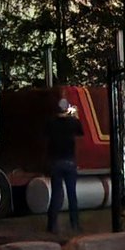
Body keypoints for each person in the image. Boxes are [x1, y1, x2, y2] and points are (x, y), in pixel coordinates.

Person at [46, 96, 84, 235]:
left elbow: (46, 135)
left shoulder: (51, 122)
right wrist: (75, 115)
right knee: (72, 194)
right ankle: (75, 224)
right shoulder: (72, 122)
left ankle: (52, 224)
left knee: (56, 193)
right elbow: (81, 132)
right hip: (69, 161)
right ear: (67, 108)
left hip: (56, 161)